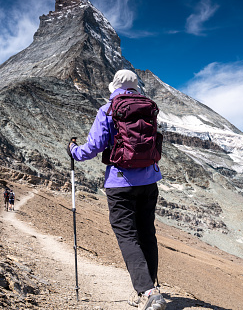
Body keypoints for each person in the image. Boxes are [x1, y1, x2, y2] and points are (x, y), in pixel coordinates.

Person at [68, 69, 166, 310]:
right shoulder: (149, 108)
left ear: (114, 87)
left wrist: (73, 150)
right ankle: (147, 288)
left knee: (127, 236)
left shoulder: (108, 109)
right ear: (136, 87)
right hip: (149, 181)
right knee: (147, 233)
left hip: (120, 183)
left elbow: (92, 147)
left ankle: (148, 291)